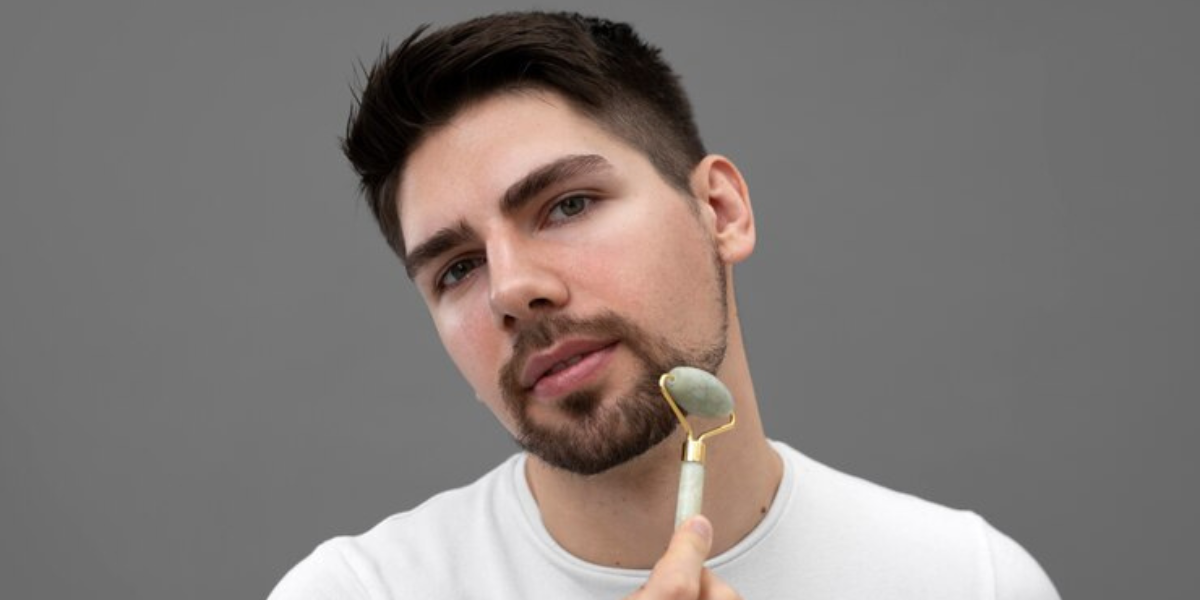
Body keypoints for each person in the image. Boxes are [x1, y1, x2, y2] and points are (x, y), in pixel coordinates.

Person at [269, 11, 1059, 599]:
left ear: (719, 211)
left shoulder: (967, 580)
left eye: (568, 205)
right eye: (457, 268)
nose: (512, 289)